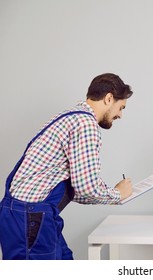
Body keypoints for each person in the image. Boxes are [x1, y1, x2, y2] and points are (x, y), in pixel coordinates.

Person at [0, 73, 133, 260]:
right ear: (109, 98)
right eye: (121, 107)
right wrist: (119, 194)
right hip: (30, 217)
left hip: (30, 215)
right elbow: (87, 189)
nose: (120, 115)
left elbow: (79, 187)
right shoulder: (85, 124)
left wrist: (110, 191)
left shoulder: (71, 117)